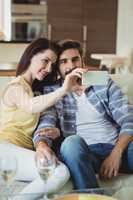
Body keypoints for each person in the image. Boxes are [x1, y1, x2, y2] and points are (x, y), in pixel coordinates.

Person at [33, 39, 133, 190]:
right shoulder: (53, 92)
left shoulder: (102, 81)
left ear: (82, 61)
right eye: (63, 62)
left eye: (75, 60)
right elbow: (46, 124)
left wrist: (116, 153)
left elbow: (128, 118)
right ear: (57, 68)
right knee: (70, 143)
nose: (71, 66)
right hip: (84, 153)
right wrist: (41, 144)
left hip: (117, 148)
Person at [0, 38, 84, 197]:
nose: (47, 68)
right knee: (58, 172)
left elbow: (41, 118)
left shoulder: (34, 90)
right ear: (31, 56)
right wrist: (64, 89)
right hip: (4, 150)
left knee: (55, 171)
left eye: (52, 64)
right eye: (44, 61)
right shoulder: (15, 87)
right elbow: (31, 106)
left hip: (19, 152)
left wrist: (55, 131)